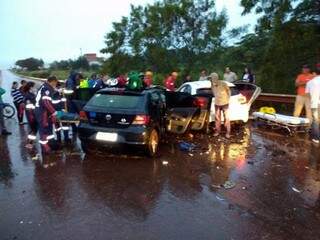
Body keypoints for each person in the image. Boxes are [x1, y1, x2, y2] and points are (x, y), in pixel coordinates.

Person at [35, 76, 59, 154]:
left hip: (44, 111)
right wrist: (53, 112)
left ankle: (50, 144)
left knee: (48, 128)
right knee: (43, 129)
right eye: (55, 83)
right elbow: (46, 102)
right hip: (42, 111)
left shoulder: (45, 87)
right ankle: (45, 149)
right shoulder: (46, 88)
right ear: (52, 81)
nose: (55, 84)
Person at [210, 72, 231, 139]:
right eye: (210, 78)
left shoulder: (223, 83)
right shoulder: (212, 85)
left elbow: (229, 91)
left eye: (211, 78)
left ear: (215, 78)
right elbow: (213, 92)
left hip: (225, 103)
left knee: (226, 118)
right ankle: (217, 131)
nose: (210, 79)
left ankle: (228, 132)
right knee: (217, 118)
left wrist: (228, 98)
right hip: (217, 103)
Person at [306, 64, 320, 144]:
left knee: (315, 120)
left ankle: (316, 138)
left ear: (314, 73)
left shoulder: (310, 82)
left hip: (314, 103)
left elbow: (307, 95)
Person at [24, 81, 37, 148]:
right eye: (34, 87)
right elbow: (29, 107)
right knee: (34, 129)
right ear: (31, 87)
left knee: (33, 129)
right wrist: (32, 116)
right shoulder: (28, 95)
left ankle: (29, 142)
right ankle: (29, 143)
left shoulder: (31, 94)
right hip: (31, 115)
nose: (35, 88)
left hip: (33, 114)